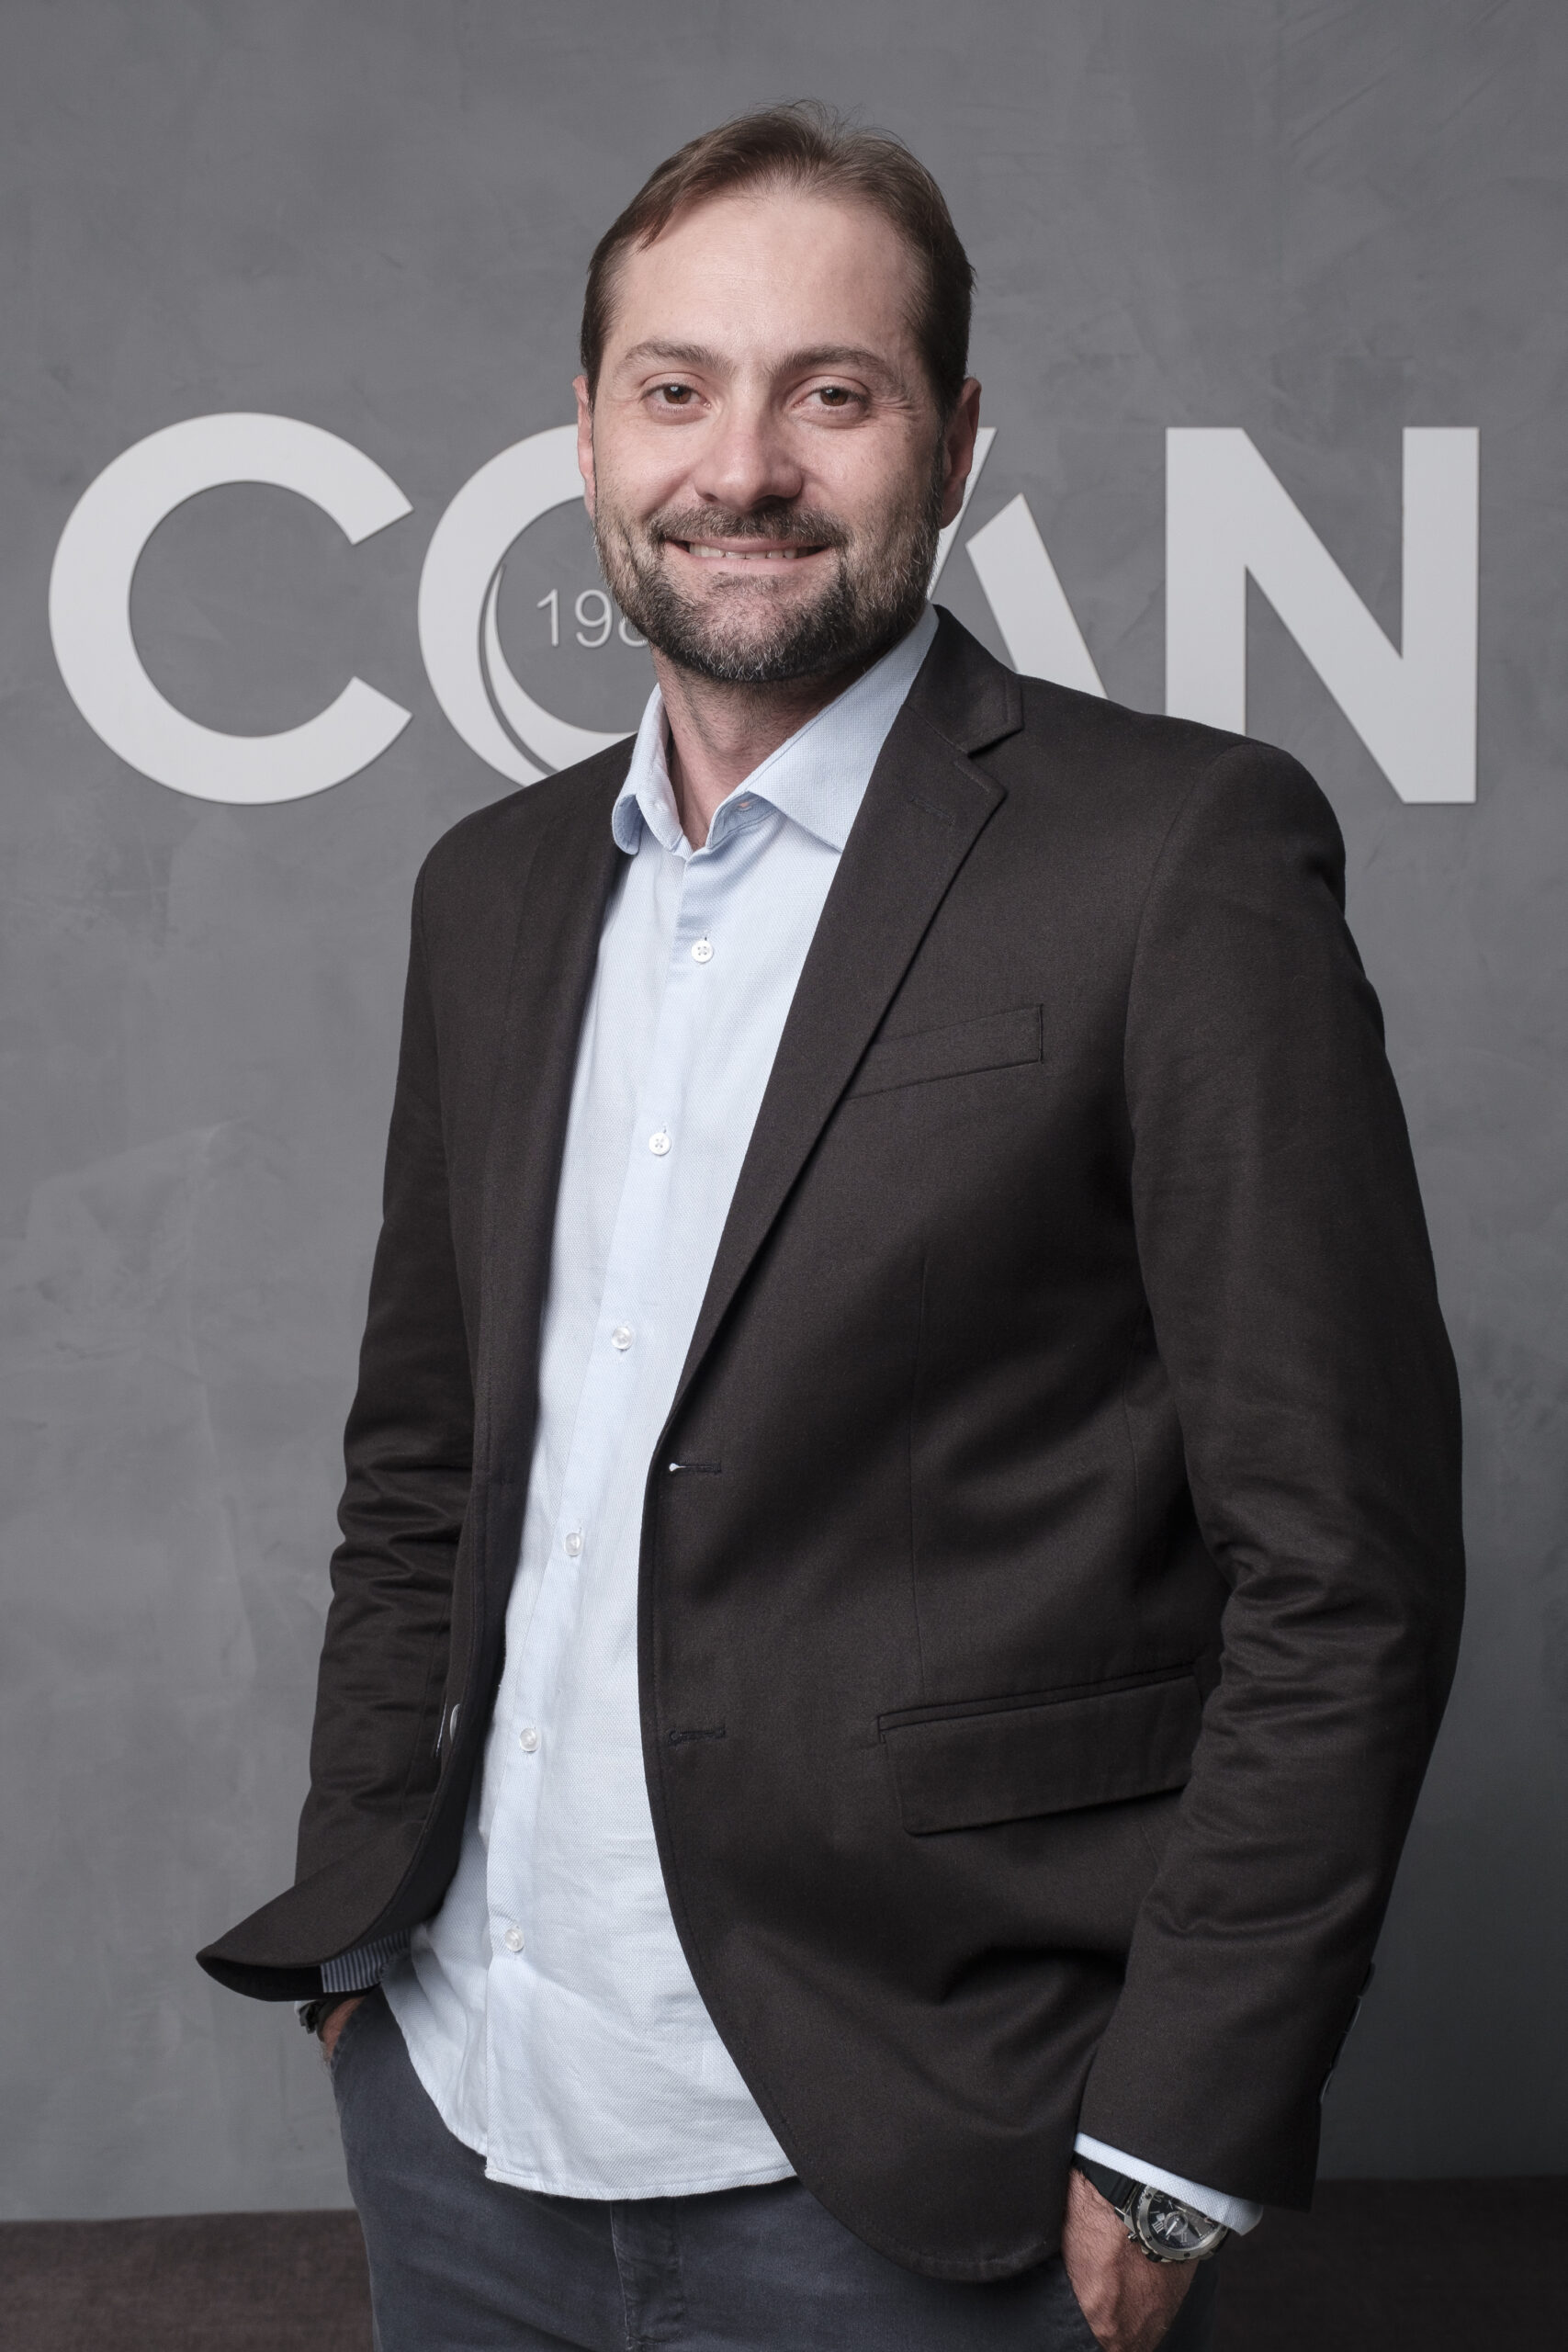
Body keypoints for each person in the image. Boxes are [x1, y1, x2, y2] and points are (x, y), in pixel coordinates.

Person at [199, 103, 1464, 2352]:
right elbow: (422, 1466)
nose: (742, 466)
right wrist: (359, 1934)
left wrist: (1173, 2133)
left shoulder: (1171, 856)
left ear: (952, 442)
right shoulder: (487, 893)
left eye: (833, 392)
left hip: (927, 2168)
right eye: (674, 387)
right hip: (460, 2123)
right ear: (587, 431)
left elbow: (1339, 1553)